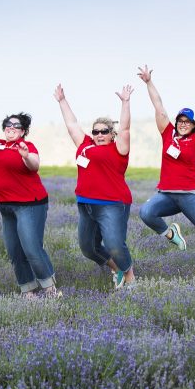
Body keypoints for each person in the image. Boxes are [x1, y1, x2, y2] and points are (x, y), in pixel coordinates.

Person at [136, 64, 195, 250]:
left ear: (193, 125)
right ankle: (172, 234)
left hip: (190, 196)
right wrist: (149, 82)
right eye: (180, 121)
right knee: (146, 213)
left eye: (187, 122)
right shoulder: (167, 134)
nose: (183, 124)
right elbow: (159, 107)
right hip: (167, 194)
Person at [0, 92, 59, 297]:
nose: (10, 129)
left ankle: (50, 289)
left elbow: (34, 165)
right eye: (7, 126)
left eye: (16, 127)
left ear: (23, 131)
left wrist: (25, 156)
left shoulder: (27, 146)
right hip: (6, 205)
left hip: (30, 204)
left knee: (31, 248)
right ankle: (27, 290)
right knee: (14, 251)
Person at [54, 82, 136, 289]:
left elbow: (125, 127)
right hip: (86, 204)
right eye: (96, 131)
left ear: (112, 134)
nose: (99, 135)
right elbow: (72, 124)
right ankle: (116, 270)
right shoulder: (84, 146)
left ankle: (131, 280)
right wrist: (62, 101)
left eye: (104, 131)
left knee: (115, 245)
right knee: (88, 248)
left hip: (112, 204)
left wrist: (126, 102)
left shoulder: (119, 149)